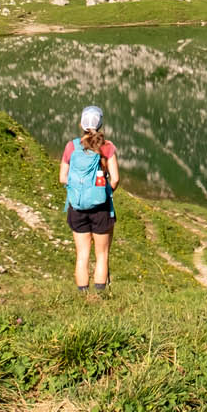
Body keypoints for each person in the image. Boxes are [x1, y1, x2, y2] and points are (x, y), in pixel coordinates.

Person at [60, 105, 119, 293]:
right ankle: (101, 296)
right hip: (101, 208)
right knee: (102, 254)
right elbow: (116, 179)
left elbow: (63, 178)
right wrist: (103, 191)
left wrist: (80, 190)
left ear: (81, 124)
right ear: (101, 124)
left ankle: (82, 296)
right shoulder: (107, 147)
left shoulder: (71, 146)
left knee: (82, 254)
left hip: (77, 207)